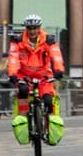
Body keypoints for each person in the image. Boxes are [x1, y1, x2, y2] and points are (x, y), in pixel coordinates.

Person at [6, 13, 66, 145]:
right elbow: (13, 59)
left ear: (39, 28)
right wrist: (13, 75)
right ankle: (24, 124)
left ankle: (49, 130)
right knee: (22, 92)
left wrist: (59, 71)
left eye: (35, 28)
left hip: (44, 77)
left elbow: (56, 56)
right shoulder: (17, 41)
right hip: (24, 76)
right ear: (26, 29)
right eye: (30, 28)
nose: (32, 31)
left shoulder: (49, 40)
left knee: (49, 100)